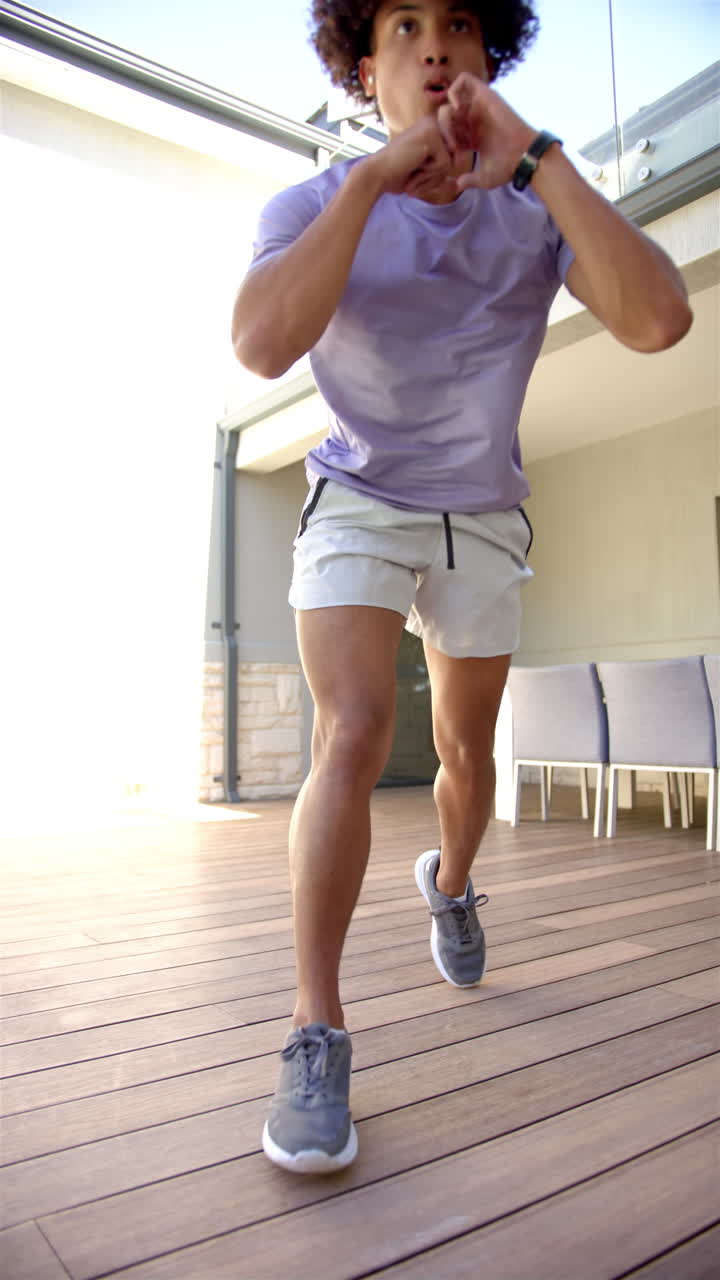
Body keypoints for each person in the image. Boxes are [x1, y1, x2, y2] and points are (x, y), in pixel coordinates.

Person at [231, 0, 692, 1175]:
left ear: (487, 62)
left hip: (483, 509)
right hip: (359, 493)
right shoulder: (309, 203)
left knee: (467, 755)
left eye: (458, 27)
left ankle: (455, 881)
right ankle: (315, 1026)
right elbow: (263, 345)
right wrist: (370, 184)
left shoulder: (534, 208)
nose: (433, 45)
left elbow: (659, 317)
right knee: (352, 729)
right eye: (402, 25)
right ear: (364, 65)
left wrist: (536, 159)